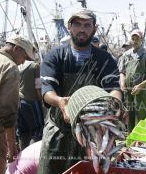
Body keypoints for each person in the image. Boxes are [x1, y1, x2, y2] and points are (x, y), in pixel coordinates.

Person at [38, 9, 121, 174]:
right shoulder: (54, 56)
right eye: (77, 24)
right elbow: (48, 91)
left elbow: (113, 88)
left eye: (87, 25)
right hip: (59, 134)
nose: (82, 29)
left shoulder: (104, 59)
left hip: (94, 134)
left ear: (94, 29)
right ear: (69, 27)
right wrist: (60, 102)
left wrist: (115, 103)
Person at [0, 35, 35, 174]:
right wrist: (12, 148)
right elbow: (7, 114)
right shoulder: (9, 67)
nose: (23, 62)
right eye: (24, 57)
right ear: (16, 49)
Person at [118, 29, 146, 132]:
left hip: (142, 92)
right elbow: (122, 72)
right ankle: (131, 137)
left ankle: (141, 139)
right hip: (129, 91)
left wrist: (140, 86)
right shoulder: (126, 55)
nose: (134, 41)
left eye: (137, 38)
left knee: (141, 115)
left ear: (141, 40)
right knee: (129, 115)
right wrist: (122, 81)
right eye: (133, 38)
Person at [17, 55, 44, 150]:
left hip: (18, 101)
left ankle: (21, 155)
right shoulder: (35, 66)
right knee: (38, 130)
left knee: (22, 131)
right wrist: (42, 101)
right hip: (32, 101)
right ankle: (32, 155)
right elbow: (38, 87)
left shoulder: (17, 65)